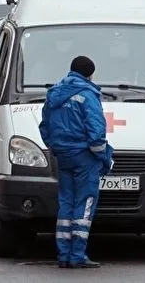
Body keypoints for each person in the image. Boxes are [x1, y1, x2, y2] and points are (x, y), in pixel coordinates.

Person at [39, 56, 114, 269]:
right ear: (90, 74)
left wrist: (56, 147)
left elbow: (45, 126)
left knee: (66, 202)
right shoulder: (88, 95)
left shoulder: (55, 93)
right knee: (85, 203)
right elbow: (96, 132)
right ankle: (77, 255)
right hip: (84, 158)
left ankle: (63, 254)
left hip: (63, 156)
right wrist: (104, 157)